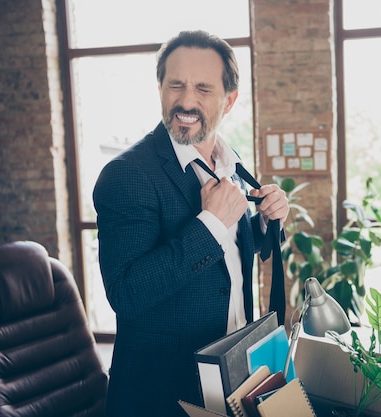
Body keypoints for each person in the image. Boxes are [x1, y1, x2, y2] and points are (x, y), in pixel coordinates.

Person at [92, 30, 290, 417]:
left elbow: (232, 252)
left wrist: (267, 222)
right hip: (163, 394)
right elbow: (127, 294)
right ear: (160, 88)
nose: (186, 101)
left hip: (231, 380)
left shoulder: (230, 165)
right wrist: (210, 223)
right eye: (176, 85)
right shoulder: (126, 175)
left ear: (229, 100)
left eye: (203, 88)